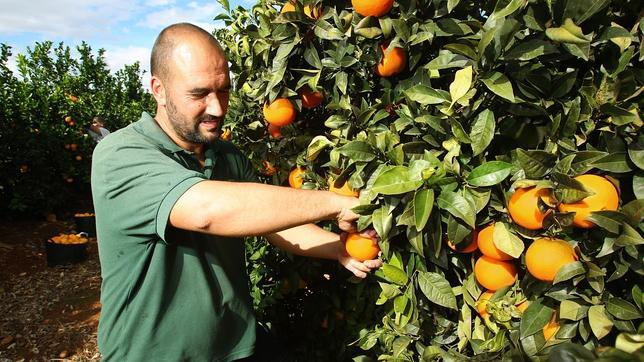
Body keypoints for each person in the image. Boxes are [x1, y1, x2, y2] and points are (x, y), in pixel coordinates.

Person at [90, 23, 382, 361]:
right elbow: (206, 210)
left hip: (235, 344)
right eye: (199, 94)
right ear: (159, 89)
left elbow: (277, 224)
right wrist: (333, 204)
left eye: (223, 91)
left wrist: (339, 249)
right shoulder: (120, 155)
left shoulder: (226, 156)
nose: (216, 109)